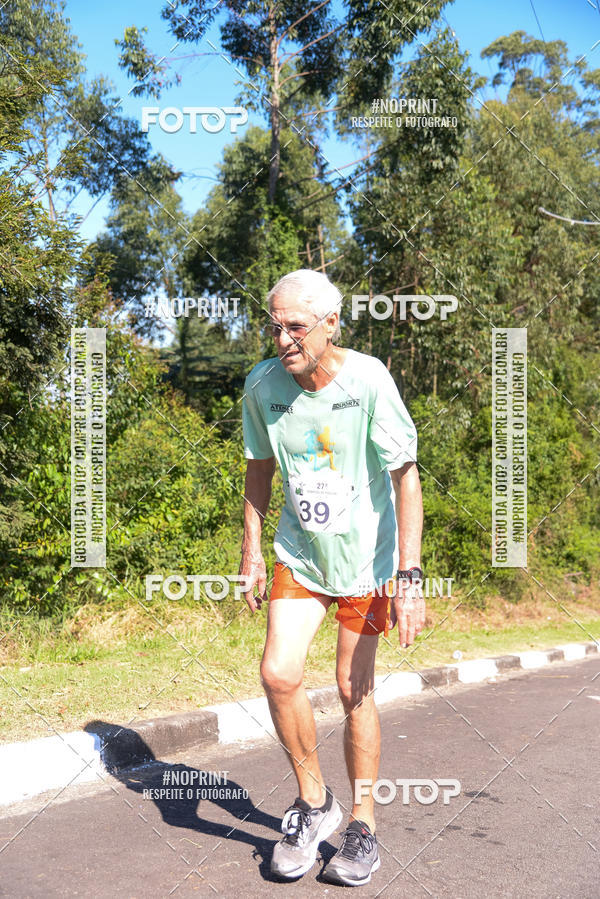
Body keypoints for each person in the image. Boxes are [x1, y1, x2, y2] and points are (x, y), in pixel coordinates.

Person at [239, 269, 424, 886]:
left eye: (295, 326)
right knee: (278, 672)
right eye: (275, 325)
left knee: (352, 687)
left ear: (330, 323)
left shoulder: (368, 379)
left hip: (367, 562)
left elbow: (405, 475)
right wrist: (254, 551)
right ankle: (315, 804)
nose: (283, 338)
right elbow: (259, 468)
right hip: (302, 555)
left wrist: (409, 575)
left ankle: (363, 826)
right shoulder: (262, 385)